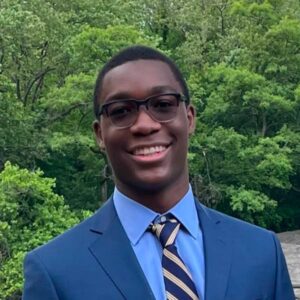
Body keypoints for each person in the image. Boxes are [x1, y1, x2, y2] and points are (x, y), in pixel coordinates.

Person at [22, 45, 295, 300]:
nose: (144, 124)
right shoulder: (54, 271)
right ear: (99, 134)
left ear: (188, 119)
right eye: (121, 111)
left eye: (162, 105)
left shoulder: (262, 253)